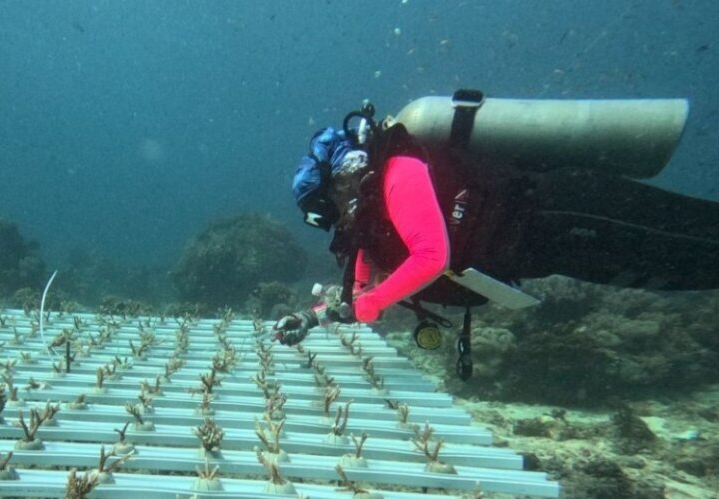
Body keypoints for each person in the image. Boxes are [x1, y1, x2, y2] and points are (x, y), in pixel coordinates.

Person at [273, 101, 719, 374]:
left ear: (342, 179)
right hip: (553, 249)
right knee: (682, 271)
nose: (335, 218)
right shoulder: (370, 220)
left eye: (328, 204)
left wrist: (374, 303)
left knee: (691, 237)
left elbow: (430, 255)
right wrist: (311, 319)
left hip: (567, 209)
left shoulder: (397, 172)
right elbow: (356, 297)